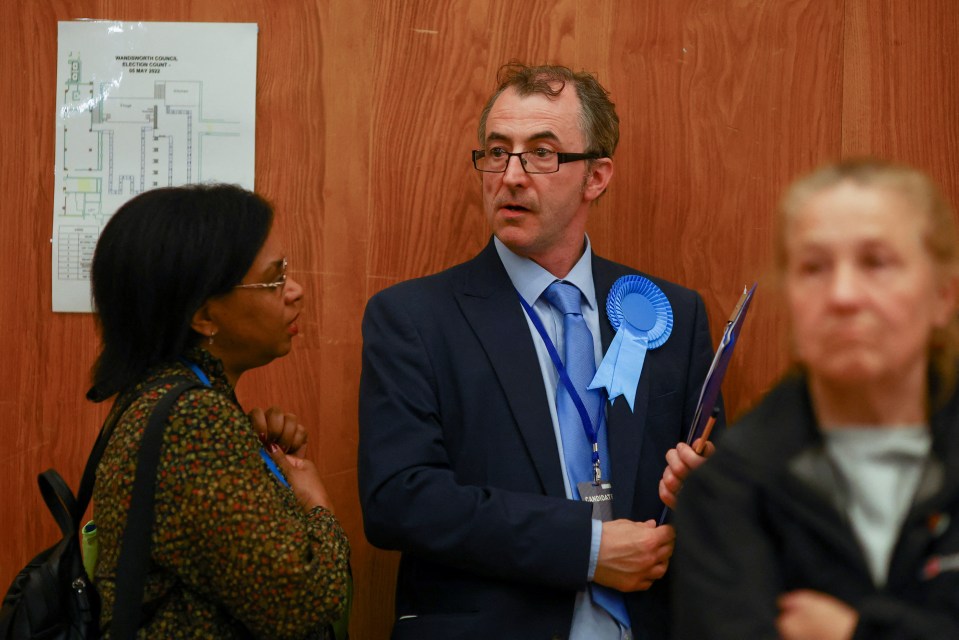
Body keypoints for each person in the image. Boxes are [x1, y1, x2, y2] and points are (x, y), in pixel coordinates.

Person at [358, 62, 719, 639]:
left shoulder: (669, 312)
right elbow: (399, 500)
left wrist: (706, 489)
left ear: (596, 177)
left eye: (542, 153)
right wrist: (587, 546)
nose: (511, 176)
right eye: (497, 152)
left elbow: (715, 485)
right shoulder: (414, 318)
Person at [672, 158, 959, 639]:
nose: (843, 295)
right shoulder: (728, 492)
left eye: (876, 262)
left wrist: (856, 633)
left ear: (942, 296)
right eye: (814, 268)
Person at [88, 184, 350, 638]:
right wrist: (314, 503)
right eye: (274, 279)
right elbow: (303, 598)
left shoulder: (169, 398)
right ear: (204, 317)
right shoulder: (191, 422)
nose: (296, 290)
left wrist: (262, 463)